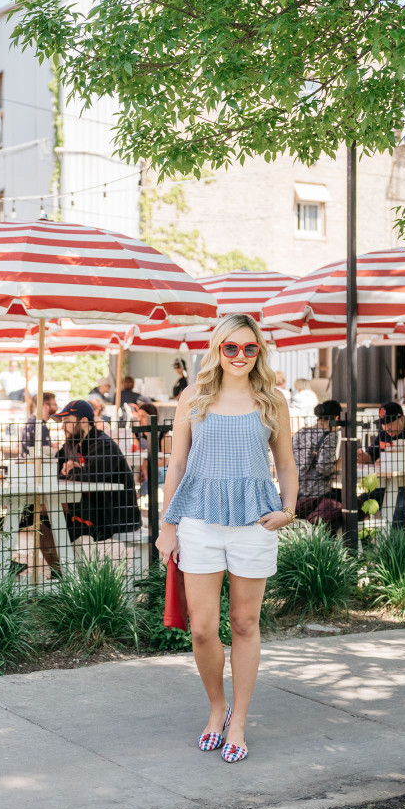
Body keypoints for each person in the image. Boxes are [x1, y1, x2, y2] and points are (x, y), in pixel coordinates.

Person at [156, 312, 298, 763]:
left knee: (244, 624)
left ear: (259, 352)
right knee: (201, 630)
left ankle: (238, 722)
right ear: (217, 349)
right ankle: (217, 708)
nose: (240, 355)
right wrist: (166, 525)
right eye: (230, 347)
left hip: (255, 522)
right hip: (198, 520)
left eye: (249, 348)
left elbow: (287, 464)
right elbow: (176, 465)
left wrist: (288, 510)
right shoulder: (193, 397)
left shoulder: (271, 400)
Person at [55, 399, 141, 543]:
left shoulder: (104, 445)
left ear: (83, 421)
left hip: (113, 516)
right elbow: (55, 468)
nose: (63, 427)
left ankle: (63, 564)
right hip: (90, 508)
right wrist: (68, 470)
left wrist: (71, 470)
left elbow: (92, 474)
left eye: (67, 421)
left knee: (53, 520)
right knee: (44, 516)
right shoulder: (71, 444)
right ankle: (61, 565)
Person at [357, 401, 405, 526]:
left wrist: (390, 460)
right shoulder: (382, 436)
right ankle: (362, 542)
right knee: (359, 503)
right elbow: (371, 455)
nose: (387, 427)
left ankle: (397, 544)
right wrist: (364, 457)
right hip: (385, 486)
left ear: (401, 419)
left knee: (396, 505)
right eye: (383, 424)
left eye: (390, 423)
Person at [292, 400, 342, 533]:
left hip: (296, 496)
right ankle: (336, 547)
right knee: (346, 503)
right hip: (318, 497)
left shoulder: (300, 433)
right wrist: (338, 465)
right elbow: (323, 468)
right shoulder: (330, 435)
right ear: (337, 418)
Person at [132, 401, 173, 495]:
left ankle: (137, 496)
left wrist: (148, 466)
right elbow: (138, 454)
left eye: (143, 416)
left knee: (154, 473)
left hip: (162, 469)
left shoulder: (163, 432)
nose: (139, 419)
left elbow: (165, 460)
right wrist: (144, 468)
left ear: (152, 416)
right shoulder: (137, 433)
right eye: (138, 416)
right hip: (143, 468)